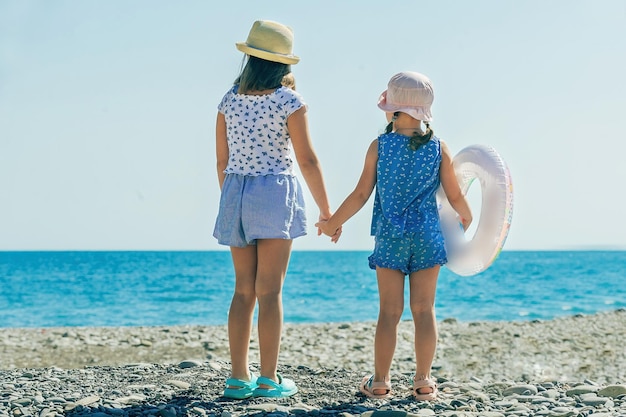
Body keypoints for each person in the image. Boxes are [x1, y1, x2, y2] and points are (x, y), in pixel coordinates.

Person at [316, 71, 472, 401]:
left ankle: (380, 382)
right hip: (428, 237)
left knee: (389, 312)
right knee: (424, 309)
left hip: (390, 237)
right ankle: (424, 382)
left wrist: (333, 223)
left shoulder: (380, 146)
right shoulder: (439, 148)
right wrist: (467, 216)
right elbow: (455, 195)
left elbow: (360, 194)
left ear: (394, 111)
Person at [214, 20, 335, 399]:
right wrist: (326, 212)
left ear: (249, 58)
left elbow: (222, 160)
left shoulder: (228, 100)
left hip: (236, 190)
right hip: (274, 191)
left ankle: (237, 377)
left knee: (242, 291)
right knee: (270, 292)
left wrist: (234, 199)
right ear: (284, 65)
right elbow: (308, 160)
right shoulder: (289, 102)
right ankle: (268, 378)